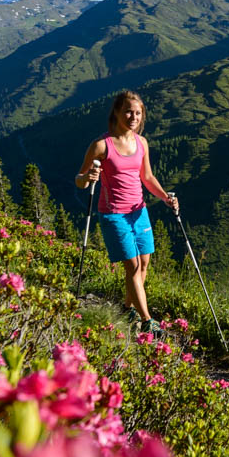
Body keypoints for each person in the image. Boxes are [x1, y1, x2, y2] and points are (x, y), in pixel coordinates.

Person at [74, 90, 178, 333]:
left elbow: (147, 177)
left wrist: (165, 198)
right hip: (113, 214)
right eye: (128, 111)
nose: (133, 116)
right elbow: (79, 179)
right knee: (132, 266)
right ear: (117, 113)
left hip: (138, 210)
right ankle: (147, 320)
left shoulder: (141, 143)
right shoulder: (102, 146)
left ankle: (128, 308)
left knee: (144, 264)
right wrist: (88, 178)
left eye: (138, 113)